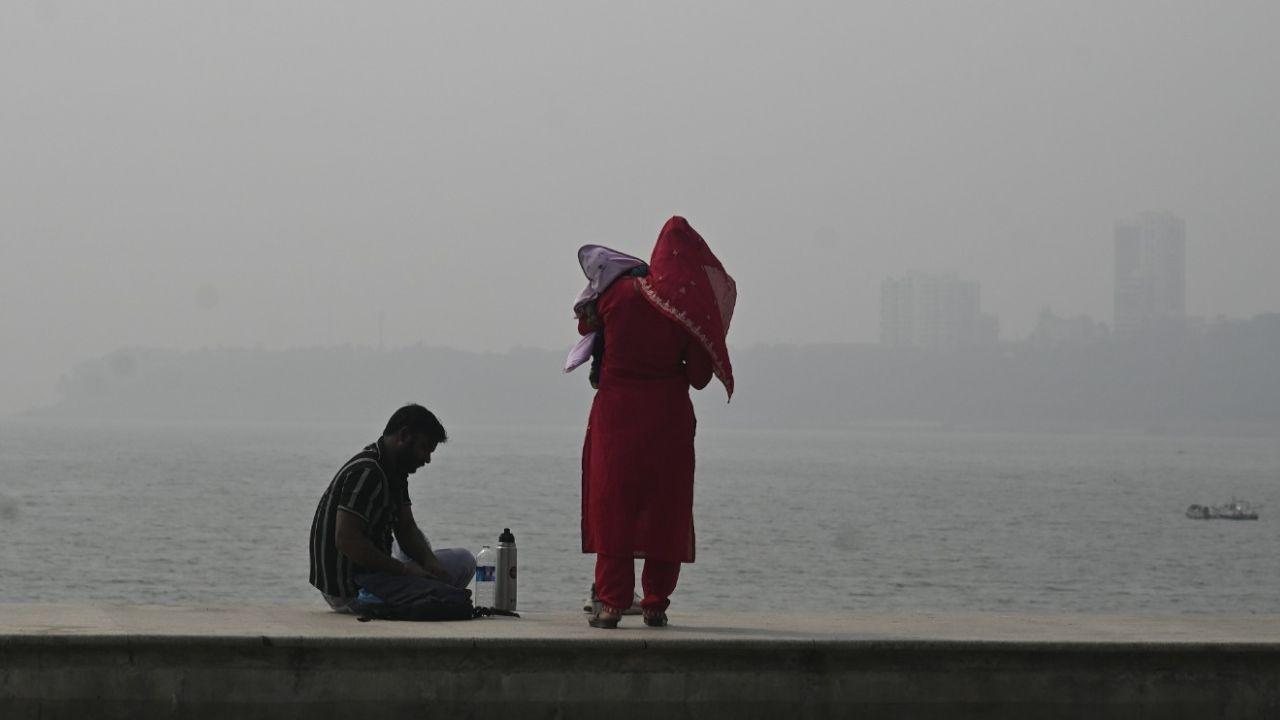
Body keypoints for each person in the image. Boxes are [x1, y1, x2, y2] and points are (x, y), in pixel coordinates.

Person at [573, 216, 736, 628]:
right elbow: (699, 376)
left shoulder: (617, 293)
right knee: (665, 507)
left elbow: (586, 325)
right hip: (667, 420)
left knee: (613, 505)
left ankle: (611, 604)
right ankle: (655, 603)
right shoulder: (683, 306)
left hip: (616, 416)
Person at [308, 404, 475, 613]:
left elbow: (406, 528)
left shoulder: (395, 472)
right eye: (424, 448)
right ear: (403, 436)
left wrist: (430, 562)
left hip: (380, 575)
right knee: (448, 598)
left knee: (463, 562)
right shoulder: (368, 472)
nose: (427, 459)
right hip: (353, 588)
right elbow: (346, 539)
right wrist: (403, 570)